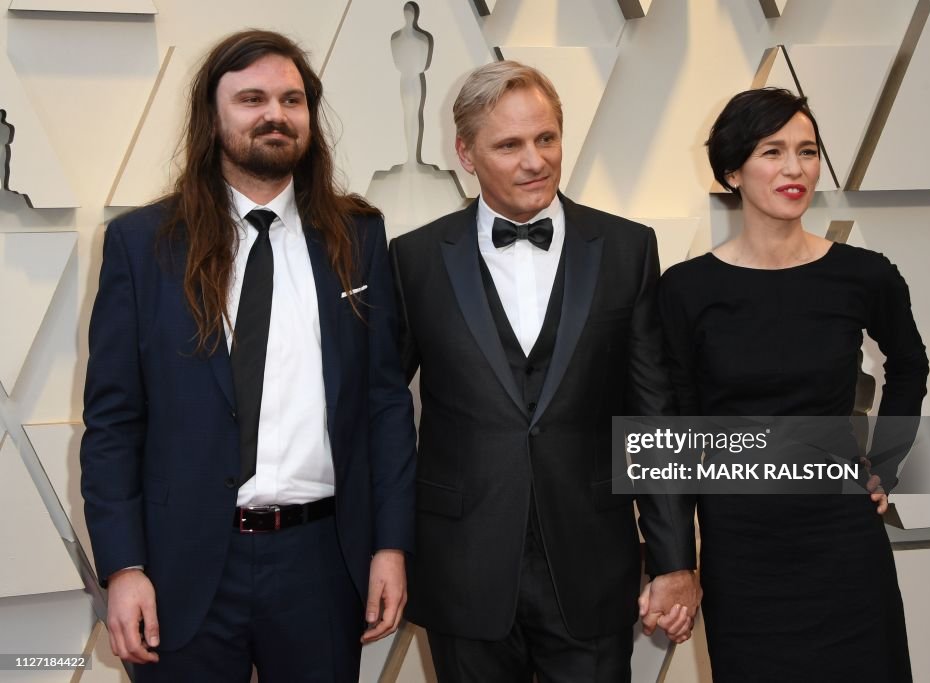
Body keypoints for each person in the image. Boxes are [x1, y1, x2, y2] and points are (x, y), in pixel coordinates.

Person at [80, 30, 416, 682]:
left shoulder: (359, 238)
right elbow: (114, 423)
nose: (275, 115)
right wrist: (124, 568)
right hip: (184, 565)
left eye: (293, 100)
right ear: (214, 117)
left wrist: (391, 545)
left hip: (322, 561)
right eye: (252, 98)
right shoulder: (142, 244)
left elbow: (385, 405)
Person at [389, 60, 698, 682]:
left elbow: (653, 413)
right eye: (509, 144)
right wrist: (383, 546)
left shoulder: (628, 249)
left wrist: (673, 561)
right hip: (463, 566)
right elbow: (383, 413)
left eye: (547, 138)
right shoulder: (414, 258)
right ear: (466, 154)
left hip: (591, 564)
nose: (535, 161)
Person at [655, 87, 928, 682]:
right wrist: (674, 560)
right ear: (733, 169)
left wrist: (887, 461)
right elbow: (674, 429)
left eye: (806, 152)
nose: (794, 168)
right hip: (741, 545)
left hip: (843, 537)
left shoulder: (865, 275)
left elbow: (910, 364)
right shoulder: (685, 289)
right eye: (772, 151)